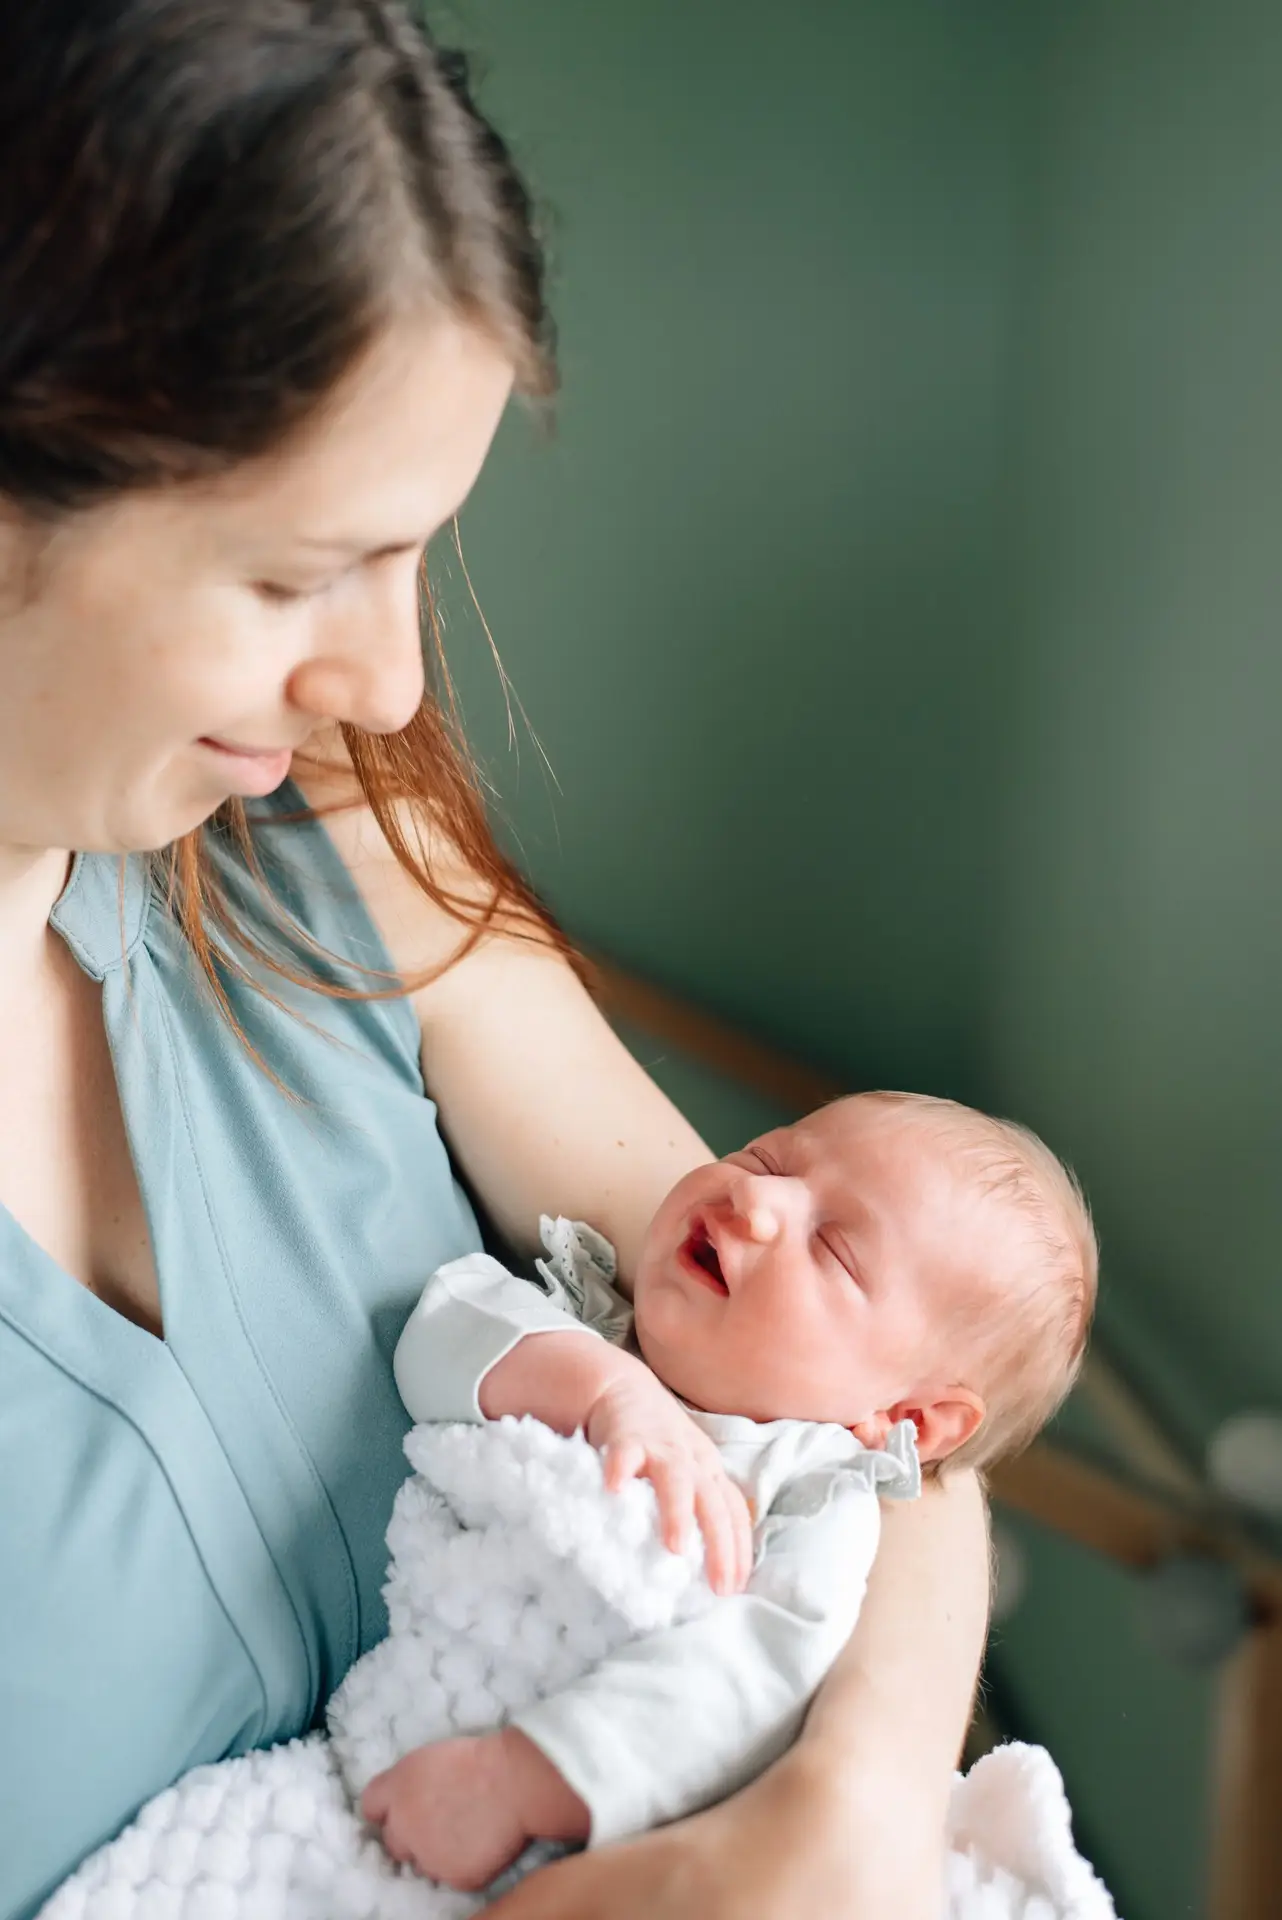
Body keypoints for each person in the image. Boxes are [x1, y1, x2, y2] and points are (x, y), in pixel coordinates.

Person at [0, 6, 990, 1918]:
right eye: (296, 573)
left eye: (415, 558)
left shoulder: (328, 841)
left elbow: (859, 1402)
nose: (387, 686)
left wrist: (841, 1824)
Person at [365, 1091, 1097, 1885]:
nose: (757, 1198)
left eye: (833, 1249)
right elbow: (437, 1332)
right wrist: (605, 1391)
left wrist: (518, 1779)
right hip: (406, 1694)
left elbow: (746, 1678)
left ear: (909, 1419)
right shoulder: (586, 1321)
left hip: (549, 1825)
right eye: (767, 1156)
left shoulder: (809, 1497)